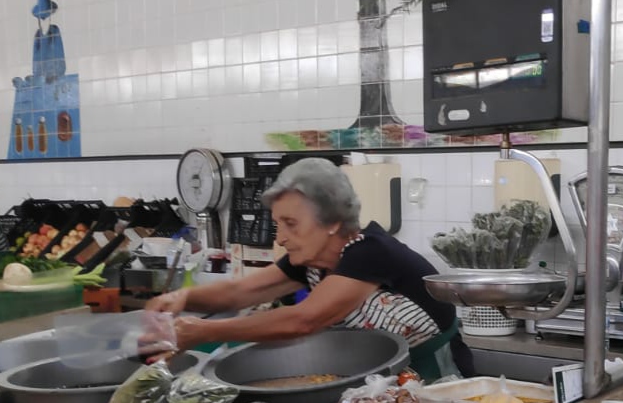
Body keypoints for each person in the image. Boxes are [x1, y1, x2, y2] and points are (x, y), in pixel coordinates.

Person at [148, 157, 476, 379]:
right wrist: (183, 298)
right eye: (278, 224)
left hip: (436, 379)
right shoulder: (311, 261)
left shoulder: (371, 253)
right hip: (382, 379)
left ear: (332, 220)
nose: (281, 238)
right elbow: (239, 292)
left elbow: (303, 320)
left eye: (291, 223)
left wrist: (202, 332)